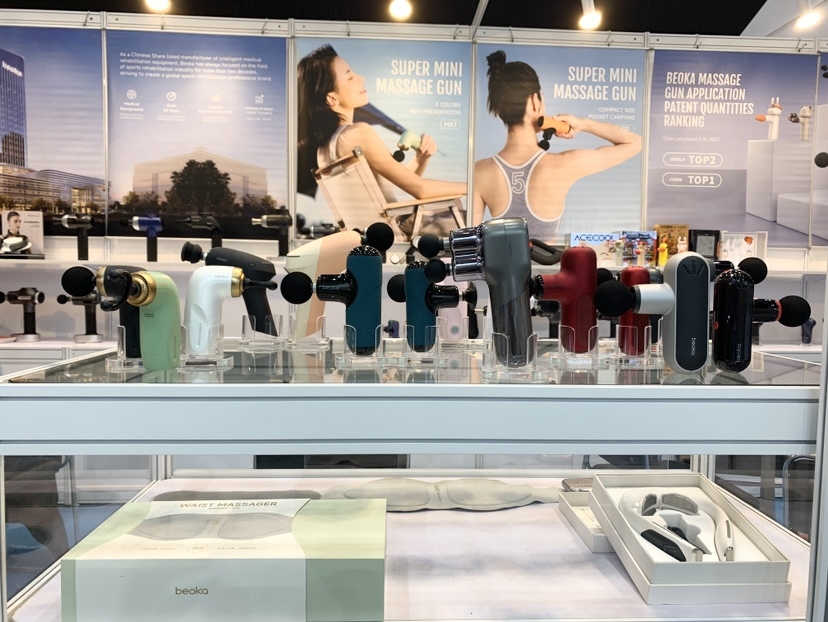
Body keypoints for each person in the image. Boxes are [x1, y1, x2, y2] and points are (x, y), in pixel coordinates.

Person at [473, 50, 642, 241]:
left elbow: (471, 241)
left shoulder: (479, 172)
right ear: (534, 101)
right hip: (545, 262)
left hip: (500, 262)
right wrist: (583, 124)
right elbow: (635, 142)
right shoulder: (564, 164)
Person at [297, 44, 466, 205]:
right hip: (393, 223)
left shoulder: (324, 148)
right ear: (331, 98)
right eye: (350, 77)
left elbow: (392, 184)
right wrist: (473, 187)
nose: (361, 78)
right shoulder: (358, 132)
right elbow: (420, 189)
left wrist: (419, 159)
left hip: (378, 224)